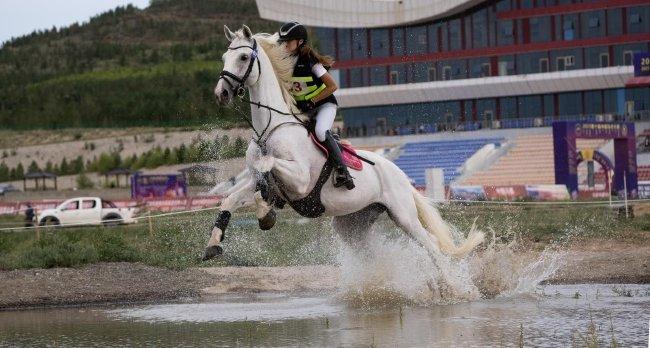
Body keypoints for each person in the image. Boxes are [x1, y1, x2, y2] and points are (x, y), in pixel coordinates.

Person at [277, 21, 354, 190]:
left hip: (324, 105)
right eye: (282, 41)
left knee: (320, 131)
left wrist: (312, 101)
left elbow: (333, 86)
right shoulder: (283, 62)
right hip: (303, 110)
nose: (284, 44)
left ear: (300, 42)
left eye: (288, 41)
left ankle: (343, 170)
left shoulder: (311, 62)